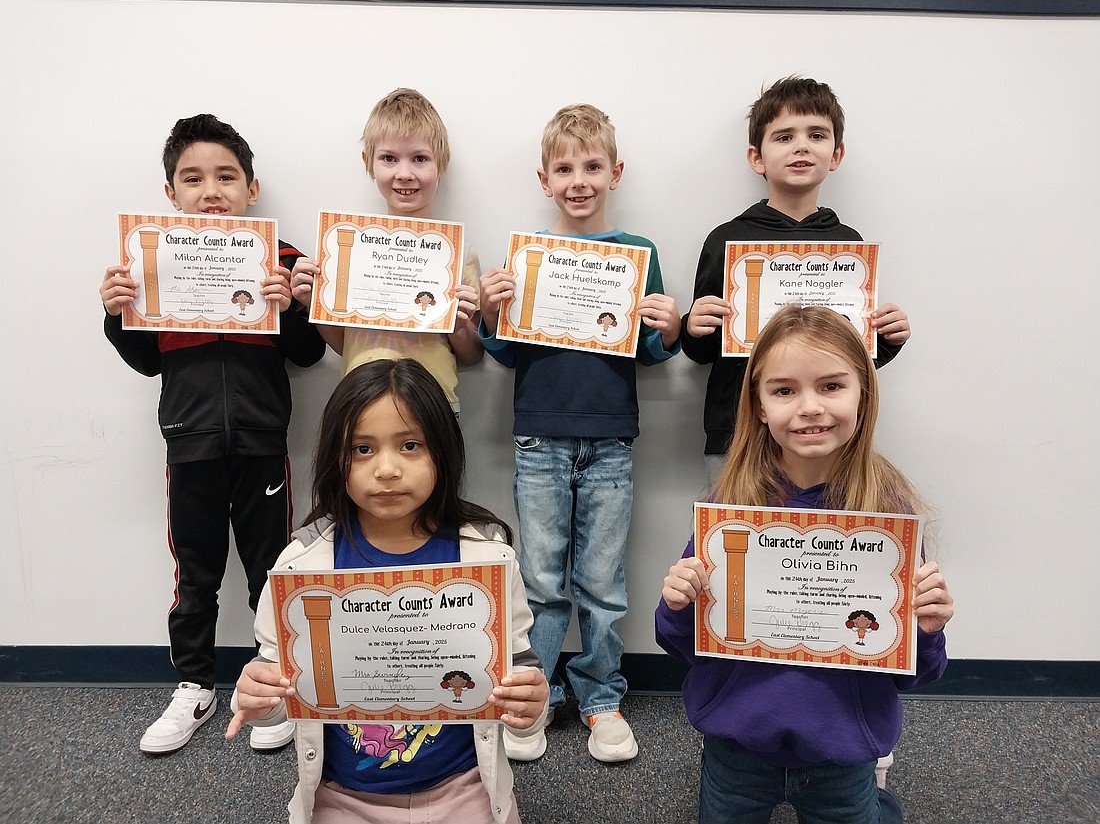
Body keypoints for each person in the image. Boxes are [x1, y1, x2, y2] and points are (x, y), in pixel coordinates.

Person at [656, 304, 953, 823]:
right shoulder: (733, 510)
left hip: (844, 751)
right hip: (736, 745)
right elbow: (684, 644)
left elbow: (913, 674)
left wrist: (925, 630)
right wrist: (679, 603)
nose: (810, 407)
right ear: (760, 405)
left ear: (864, 392)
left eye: (832, 386)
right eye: (785, 390)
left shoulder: (888, 517)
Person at [225, 358, 549, 824]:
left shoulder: (487, 556)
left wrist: (531, 707)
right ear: (336, 459)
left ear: (444, 451)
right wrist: (257, 698)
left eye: (410, 445)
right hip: (342, 795)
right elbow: (275, 681)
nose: (387, 469)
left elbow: (518, 666)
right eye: (361, 449)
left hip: (463, 787)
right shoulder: (302, 563)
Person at [99, 114, 327, 754]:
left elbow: (309, 355)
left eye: (226, 176)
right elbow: (147, 359)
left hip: (262, 443)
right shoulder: (150, 260)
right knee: (195, 572)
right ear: (171, 193)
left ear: (253, 187)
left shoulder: (282, 260)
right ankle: (194, 684)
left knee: (269, 568)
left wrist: (297, 307)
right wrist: (118, 314)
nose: (211, 190)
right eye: (192, 178)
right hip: (190, 439)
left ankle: (273, 682)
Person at [478, 103, 681, 763]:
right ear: (544, 179)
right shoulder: (526, 257)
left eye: (592, 166)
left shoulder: (638, 253)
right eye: (564, 168)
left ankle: (600, 696)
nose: (579, 179)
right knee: (538, 580)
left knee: (603, 582)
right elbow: (504, 356)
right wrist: (490, 313)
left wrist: (668, 330)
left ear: (614, 172)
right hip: (538, 438)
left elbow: (649, 354)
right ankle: (533, 695)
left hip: (612, 442)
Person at [680, 76, 912, 485]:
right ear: (757, 157)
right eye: (784, 136)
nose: (801, 146)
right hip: (735, 430)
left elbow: (854, 359)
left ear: (836, 154)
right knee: (736, 537)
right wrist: (693, 327)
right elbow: (703, 351)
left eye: (816, 135)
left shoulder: (848, 247)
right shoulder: (726, 240)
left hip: (824, 436)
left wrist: (886, 339)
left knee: (813, 542)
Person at [289, 88, 482, 412]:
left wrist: (460, 326)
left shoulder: (459, 255)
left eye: (419, 158)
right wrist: (312, 304)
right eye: (389, 158)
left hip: (435, 405)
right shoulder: (344, 252)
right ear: (369, 162)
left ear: (441, 163)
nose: (404, 173)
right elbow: (343, 345)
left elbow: (473, 356)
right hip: (361, 400)